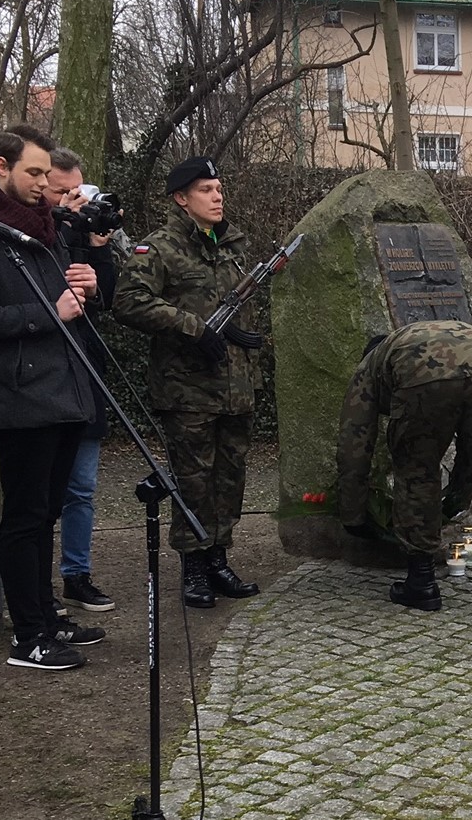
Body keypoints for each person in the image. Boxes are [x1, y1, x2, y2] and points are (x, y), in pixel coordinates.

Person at [0, 125, 108, 670]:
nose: (44, 183)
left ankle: (47, 615)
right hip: (20, 392)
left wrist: (87, 285)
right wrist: (52, 312)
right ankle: (28, 636)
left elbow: (68, 302)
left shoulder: (44, 227)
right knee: (26, 515)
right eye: (33, 173)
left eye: (45, 174)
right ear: (0, 168)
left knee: (48, 512)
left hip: (67, 388)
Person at [336, 320, 472, 629]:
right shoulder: (444, 335)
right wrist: (458, 498)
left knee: (417, 475)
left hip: (420, 374)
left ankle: (422, 584)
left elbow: (354, 443)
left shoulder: (371, 365)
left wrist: (353, 515)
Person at [115, 157, 264, 608]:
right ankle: (194, 568)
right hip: (188, 390)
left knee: (229, 479)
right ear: (182, 199)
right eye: (206, 189)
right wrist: (193, 326)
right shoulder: (159, 249)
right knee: (192, 482)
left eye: (219, 188)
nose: (217, 196)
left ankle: (219, 558)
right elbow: (129, 302)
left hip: (236, 386)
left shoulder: (231, 245)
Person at [43, 147, 120, 612]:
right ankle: (34, 587)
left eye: (79, 191)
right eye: (63, 192)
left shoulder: (83, 233)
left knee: (82, 487)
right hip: (42, 380)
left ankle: (76, 573)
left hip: (86, 371)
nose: (75, 201)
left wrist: (97, 252)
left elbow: (107, 300)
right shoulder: (32, 234)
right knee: (41, 493)